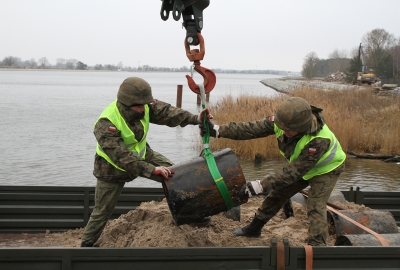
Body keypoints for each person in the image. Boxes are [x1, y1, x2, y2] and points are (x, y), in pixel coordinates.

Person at [81, 77, 212, 247]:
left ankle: (192, 215)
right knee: (102, 212)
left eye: (146, 104)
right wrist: (152, 170)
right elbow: (122, 157)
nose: (144, 109)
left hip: (143, 156)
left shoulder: (144, 105)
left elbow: (168, 113)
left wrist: (196, 118)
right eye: (139, 106)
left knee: (177, 176)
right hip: (111, 170)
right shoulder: (106, 123)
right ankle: (85, 245)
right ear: (126, 104)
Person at [200, 97, 346, 246]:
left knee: (315, 205)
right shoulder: (281, 122)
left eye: (289, 130)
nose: (284, 131)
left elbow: (292, 173)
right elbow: (250, 129)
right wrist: (218, 131)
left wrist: (260, 185)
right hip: (302, 167)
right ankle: (254, 228)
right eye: (283, 127)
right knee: (277, 194)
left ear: (303, 126)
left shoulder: (319, 140)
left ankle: (317, 246)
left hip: (326, 170)